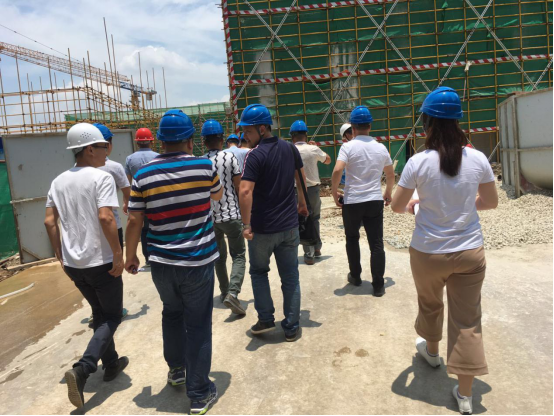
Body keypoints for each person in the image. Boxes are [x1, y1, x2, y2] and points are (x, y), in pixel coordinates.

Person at [391, 87, 499, 416]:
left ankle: (432, 352)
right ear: (458, 123)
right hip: (470, 252)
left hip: (427, 253)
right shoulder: (478, 159)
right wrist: (464, 206)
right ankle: (465, 396)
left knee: (430, 302)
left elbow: (396, 205)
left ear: (427, 123)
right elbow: (490, 202)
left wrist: (416, 206)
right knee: (467, 321)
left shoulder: (418, 162)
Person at [125, 110, 223, 416]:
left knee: (172, 313)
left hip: (162, 262)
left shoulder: (143, 175)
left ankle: (177, 370)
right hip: (197, 261)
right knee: (198, 324)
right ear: (190, 140)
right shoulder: (204, 166)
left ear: (160, 141)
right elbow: (217, 196)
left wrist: (130, 256)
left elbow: (134, 219)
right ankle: (199, 393)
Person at [44, 123, 128, 409]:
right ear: (90, 149)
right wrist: (117, 253)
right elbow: (106, 217)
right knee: (112, 316)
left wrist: (59, 253)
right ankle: (83, 368)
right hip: (100, 261)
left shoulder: (57, 181)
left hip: (74, 264)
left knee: (100, 312)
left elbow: (49, 221)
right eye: (104, 147)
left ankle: (112, 363)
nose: (107, 152)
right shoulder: (100, 177)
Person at [238, 104, 309, 343]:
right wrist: (302, 204)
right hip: (289, 226)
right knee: (290, 276)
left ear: (262, 128)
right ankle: (291, 326)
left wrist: (246, 224)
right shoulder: (289, 148)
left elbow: (245, 191)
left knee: (259, 272)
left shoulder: (254, 155)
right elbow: (301, 178)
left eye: (248, 131)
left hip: (263, 229)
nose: (244, 136)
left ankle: (266, 319)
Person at [331, 106, 396, 297]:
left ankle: (356, 276)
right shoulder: (380, 147)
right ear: (370, 126)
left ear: (352, 127)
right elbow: (390, 174)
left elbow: (337, 170)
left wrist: (334, 193)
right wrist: (388, 193)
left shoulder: (348, 147)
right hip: (374, 199)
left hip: (352, 200)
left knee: (352, 239)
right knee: (376, 243)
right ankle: (378, 284)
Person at [203, 120, 247, 315]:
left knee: (218, 258)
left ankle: (224, 292)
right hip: (231, 214)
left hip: (211, 218)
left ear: (204, 142)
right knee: (238, 255)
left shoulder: (201, 161)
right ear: (222, 140)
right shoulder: (230, 157)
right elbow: (239, 186)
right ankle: (233, 293)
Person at [93, 123, 130, 321]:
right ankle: (115, 309)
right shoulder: (114, 167)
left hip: (90, 227)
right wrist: (126, 204)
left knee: (95, 267)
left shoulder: (76, 170)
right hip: (112, 223)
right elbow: (127, 192)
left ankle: (97, 310)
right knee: (115, 266)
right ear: (107, 145)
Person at [290, 120, 331, 265]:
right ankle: (316, 247)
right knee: (314, 218)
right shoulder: (313, 149)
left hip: (295, 190)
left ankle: (309, 254)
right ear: (306, 135)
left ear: (292, 136)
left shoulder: (290, 150)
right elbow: (328, 160)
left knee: (302, 219)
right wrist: (316, 148)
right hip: (313, 189)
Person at [125, 127, 159, 267]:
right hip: (157, 198)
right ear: (151, 141)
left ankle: (148, 258)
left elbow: (128, 182)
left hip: (139, 199)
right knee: (157, 226)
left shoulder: (130, 159)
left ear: (137, 142)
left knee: (144, 230)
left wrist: (127, 201)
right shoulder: (158, 157)